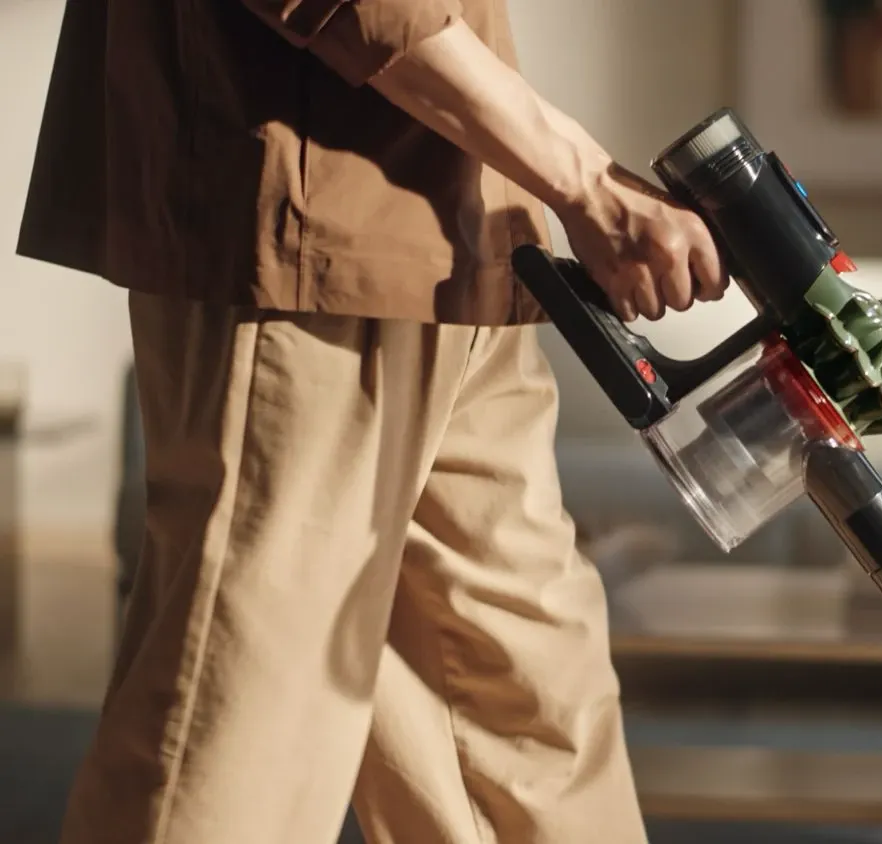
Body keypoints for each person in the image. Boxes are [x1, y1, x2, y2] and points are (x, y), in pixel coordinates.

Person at [16, 0, 729, 842]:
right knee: (243, 728)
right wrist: (579, 179)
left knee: (530, 718)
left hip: (466, 238)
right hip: (313, 239)